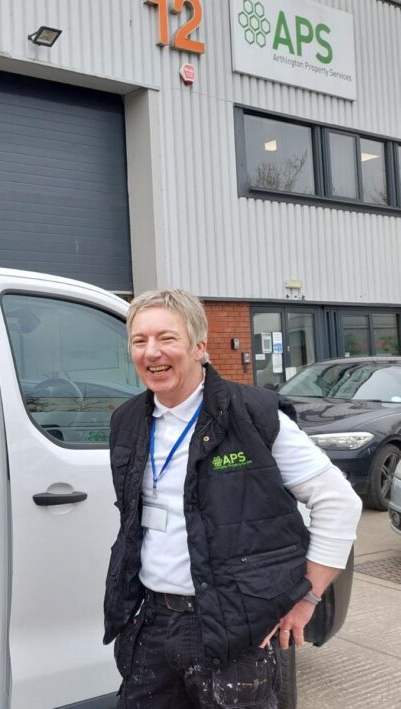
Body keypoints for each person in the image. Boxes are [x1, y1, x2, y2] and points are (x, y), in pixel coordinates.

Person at [103, 289, 362, 708]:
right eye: (139, 340)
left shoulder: (253, 415)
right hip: (152, 625)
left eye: (167, 338)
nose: (152, 352)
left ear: (199, 347)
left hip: (236, 634)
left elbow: (339, 502)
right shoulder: (128, 420)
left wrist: (309, 596)